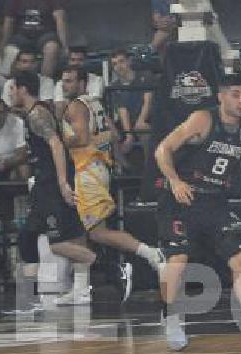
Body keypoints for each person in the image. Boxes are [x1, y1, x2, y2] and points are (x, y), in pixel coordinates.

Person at [154, 74, 241, 351]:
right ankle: (170, 319)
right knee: (178, 261)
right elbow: (162, 149)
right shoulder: (203, 119)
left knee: (239, 259)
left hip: (215, 202)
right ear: (221, 96)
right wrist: (175, 180)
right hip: (182, 199)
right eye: (235, 95)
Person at [60, 66, 166, 303]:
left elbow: (82, 138)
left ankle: (149, 253)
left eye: (70, 81)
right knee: (82, 231)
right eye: (63, 81)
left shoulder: (76, 105)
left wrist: (60, 139)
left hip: (87, 172)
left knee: (97, 233)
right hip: (99, 169)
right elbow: (115, 136)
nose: (65, 85)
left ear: (82, 83)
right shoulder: (96, 103)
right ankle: (80, 288)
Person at [10, 70, 97, 306]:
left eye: (13, 88)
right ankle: (75, 291)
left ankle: (102, 262)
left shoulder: (37, 114)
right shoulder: (36, 112)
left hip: (51, 182)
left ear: (22, 89)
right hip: (47, 181)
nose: (10, 93)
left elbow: (57, 146)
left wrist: (61, 183)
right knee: (67, 236)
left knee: (57, 243)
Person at [1, 0, 69, 80]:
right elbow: (9, 21)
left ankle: (44, 88)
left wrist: (65, 46)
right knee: (9, 51)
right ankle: (8, 85)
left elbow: (60, 18)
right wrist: (3, 44)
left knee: (52, 48)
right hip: (22, 36)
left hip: (45, 35)